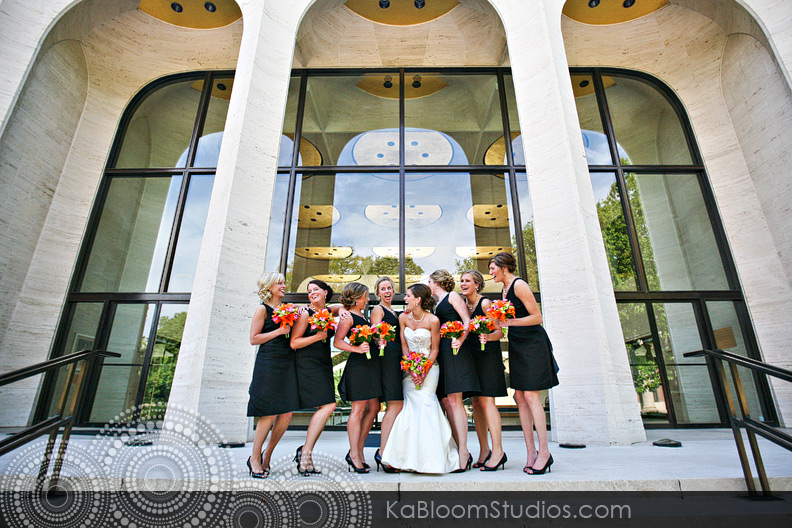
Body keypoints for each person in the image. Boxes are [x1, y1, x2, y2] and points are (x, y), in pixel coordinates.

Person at [488, 252, 559, 475]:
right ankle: (531, 452)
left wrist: (509, 322)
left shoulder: (519, 285)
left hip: (533, 343)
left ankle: (545, 453)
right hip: (517, 343)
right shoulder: (504, 289)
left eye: (493, 268)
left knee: (530, 395)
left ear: (504, 268)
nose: (490, 272)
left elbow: (537, 317)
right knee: (519, 396)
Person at [381, 284, 459, 473]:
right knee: (410, 409)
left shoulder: (433, 320)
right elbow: (404, 346)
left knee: (427, 404)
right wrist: (411, 369)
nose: (405, 299)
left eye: (408, 296)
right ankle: (408, 458)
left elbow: (435, 349)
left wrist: (423, 371)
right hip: (409, 370)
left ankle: (431, 459)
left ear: (418, 300)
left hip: (430, 369)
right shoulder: (403, 318)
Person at [246, 272, 299, 479]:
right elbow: (254, 338)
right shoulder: (263, 309)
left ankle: (267, 454)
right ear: (269, 287)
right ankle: (254, 458)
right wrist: (279, 331)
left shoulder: (288, 309)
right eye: (279, 283)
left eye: (284, 283)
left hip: (287, 362)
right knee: (268, 413)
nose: (283, 286)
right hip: (268, 363)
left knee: (286, 412)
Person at [428, 269, 478, 472]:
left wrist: (461, 339)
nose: (429, 285)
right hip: (443, 354)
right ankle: (457, 448)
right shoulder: (437, 302)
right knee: (447, 401)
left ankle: (464, 452)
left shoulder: (452, 296)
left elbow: (467, 321)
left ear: (437, 282)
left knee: (455, 400)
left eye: (430, 282)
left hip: (456, 351)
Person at [459, 269, 508, 471]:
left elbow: (500, 331)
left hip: (488, 357)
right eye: (461, 280)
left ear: (477, 284)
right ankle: (484, 450)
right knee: (476, 404)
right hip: (471, 358)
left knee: (487, 402)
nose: (463, 284)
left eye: (467, 281)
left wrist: (488, 337)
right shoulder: (463, 305)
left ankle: (498, 451)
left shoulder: (485, 303)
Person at [289, 279, 337, 476]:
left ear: (326, 292)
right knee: (328, 405)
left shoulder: (329, 312)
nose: (312, 293)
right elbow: (294, 342)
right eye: (309, 291)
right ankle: (306, 453)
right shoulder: (305, 313)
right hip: (307, 363)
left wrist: (343, 310)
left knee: (326, 406)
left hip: (324, 363)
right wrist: (317, 337)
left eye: (316, 289)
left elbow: (343, 306)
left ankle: (306, 453)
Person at [334, 282, 381, 473]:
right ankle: (354, 454)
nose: (368, 299)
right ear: (356, 298)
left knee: (375, 407)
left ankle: (359, 449)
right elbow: (338, 342)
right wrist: (356, 348)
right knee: (358, 409)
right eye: (365, 297)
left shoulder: (362, 316)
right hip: (358, 368)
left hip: (370, 367)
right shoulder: (348, 317)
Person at [368, 276, 403, 473]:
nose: (387, 291)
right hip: (387, 360)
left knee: (397, 405)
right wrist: (379, 340)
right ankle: (382, 453)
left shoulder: (394, 312)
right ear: (378, 293)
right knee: (394, 404)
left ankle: (389, 451)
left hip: (397, 360)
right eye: (383, 289)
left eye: (389, 288)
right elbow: (376, 334)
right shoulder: (378, 310)